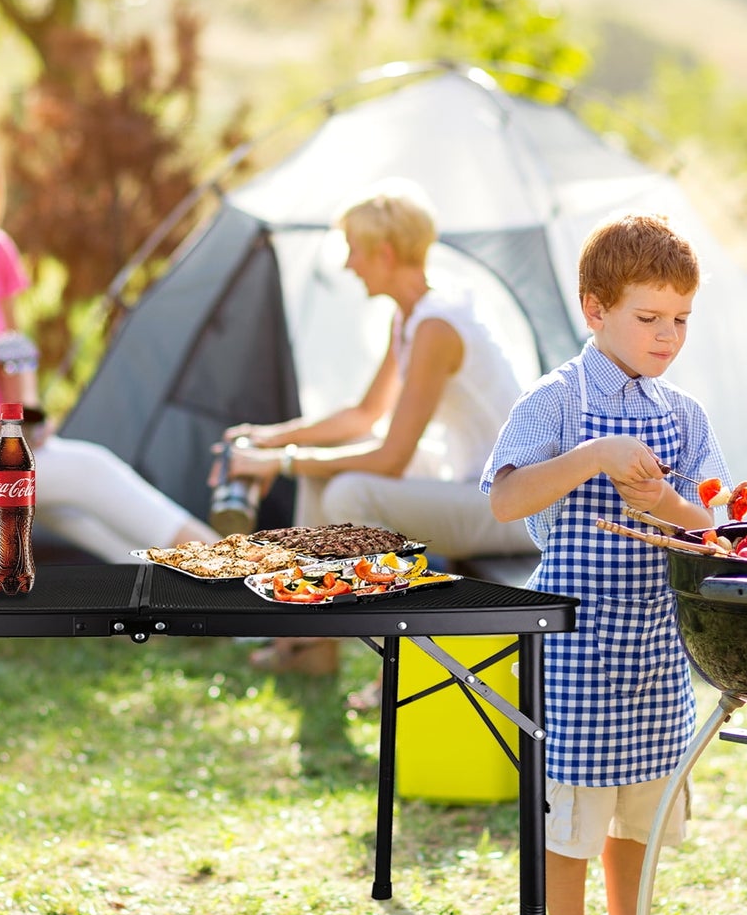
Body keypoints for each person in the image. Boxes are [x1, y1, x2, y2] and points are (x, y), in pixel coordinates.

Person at [481, 211, 728, 915]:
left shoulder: (684, 415)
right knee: (573, 813)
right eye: (648, 317)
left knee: (641, 810)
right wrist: (592, 457)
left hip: (653, 646)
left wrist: (667, 507)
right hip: (576, 642)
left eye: (680, 319)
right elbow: (504, 499)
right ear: (595, 309)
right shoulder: (553, 400)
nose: (667, 336)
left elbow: (716, 524)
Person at [0, 115, 216, 563]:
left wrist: (26, 419)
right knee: (90, 470)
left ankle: (194, 592)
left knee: (74, 508)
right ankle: (232, 576)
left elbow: (17, 357)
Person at [223, 188, 536, 675]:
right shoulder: (411, 316)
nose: (349, 266)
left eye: (353, 251)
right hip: (467, 479)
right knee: (322, 475)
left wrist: (278, 462)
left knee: (350, 496)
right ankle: (309, 645)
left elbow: (391, 456)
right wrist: (274, 439)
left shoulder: (437, 328)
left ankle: (406, 665)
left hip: (511, 506)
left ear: (384, 254)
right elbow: (364, 414)